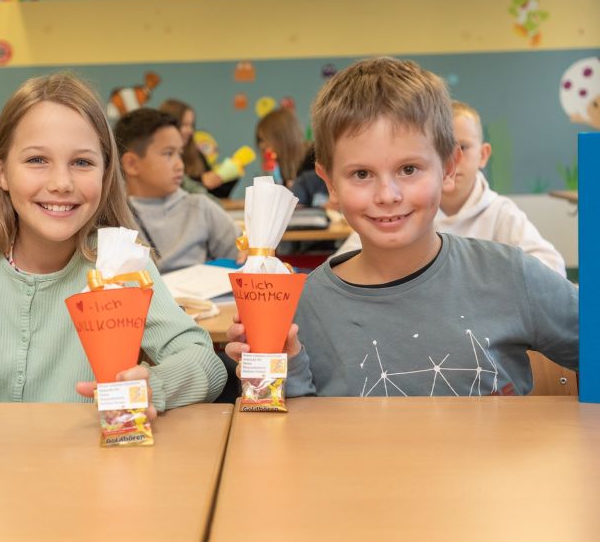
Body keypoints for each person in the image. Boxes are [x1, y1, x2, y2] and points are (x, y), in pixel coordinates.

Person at [226, 57, 578, 397]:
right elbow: (295, 435)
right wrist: (276, 371)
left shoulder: (511, 276)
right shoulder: (300, 309)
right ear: (329, 183)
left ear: (449, 167)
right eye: (361, 174)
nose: (388, 195)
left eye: (409, 169)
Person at [0, 74, 226, 415]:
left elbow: (206, 363)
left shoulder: (121, 266)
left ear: (105, 172)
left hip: (84, 465)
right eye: (37, 160)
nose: (61, 183)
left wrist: (152, 386)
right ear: (1, 172)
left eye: (82, 162)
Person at [332, 101, 565, 276]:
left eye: (463, 147)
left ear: (483, 155)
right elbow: (342, 266)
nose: (453, 160)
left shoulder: (501, 213)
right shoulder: (402, 212)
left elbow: (550, 267)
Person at [114, 107, 240, 273]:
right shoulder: (113, 217)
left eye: (179, 153)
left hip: (200, 297)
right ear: (131, 164)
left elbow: (243, 254)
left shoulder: (200, 207)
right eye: (168, 153)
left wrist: (248, 250)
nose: (180, 165)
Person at [159, 99, 237, 198]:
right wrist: (201, 181)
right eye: (184, 125)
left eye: (191, 125)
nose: (190, 130)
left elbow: (213, 195)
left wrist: (227, 176)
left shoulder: (195, 153)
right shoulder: (158, 156)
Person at [256, 108, 329, 207]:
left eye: (265, 139)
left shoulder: (314, 157)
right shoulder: (279, 166)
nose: (262, 145)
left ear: (281, 137)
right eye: (260, 140)